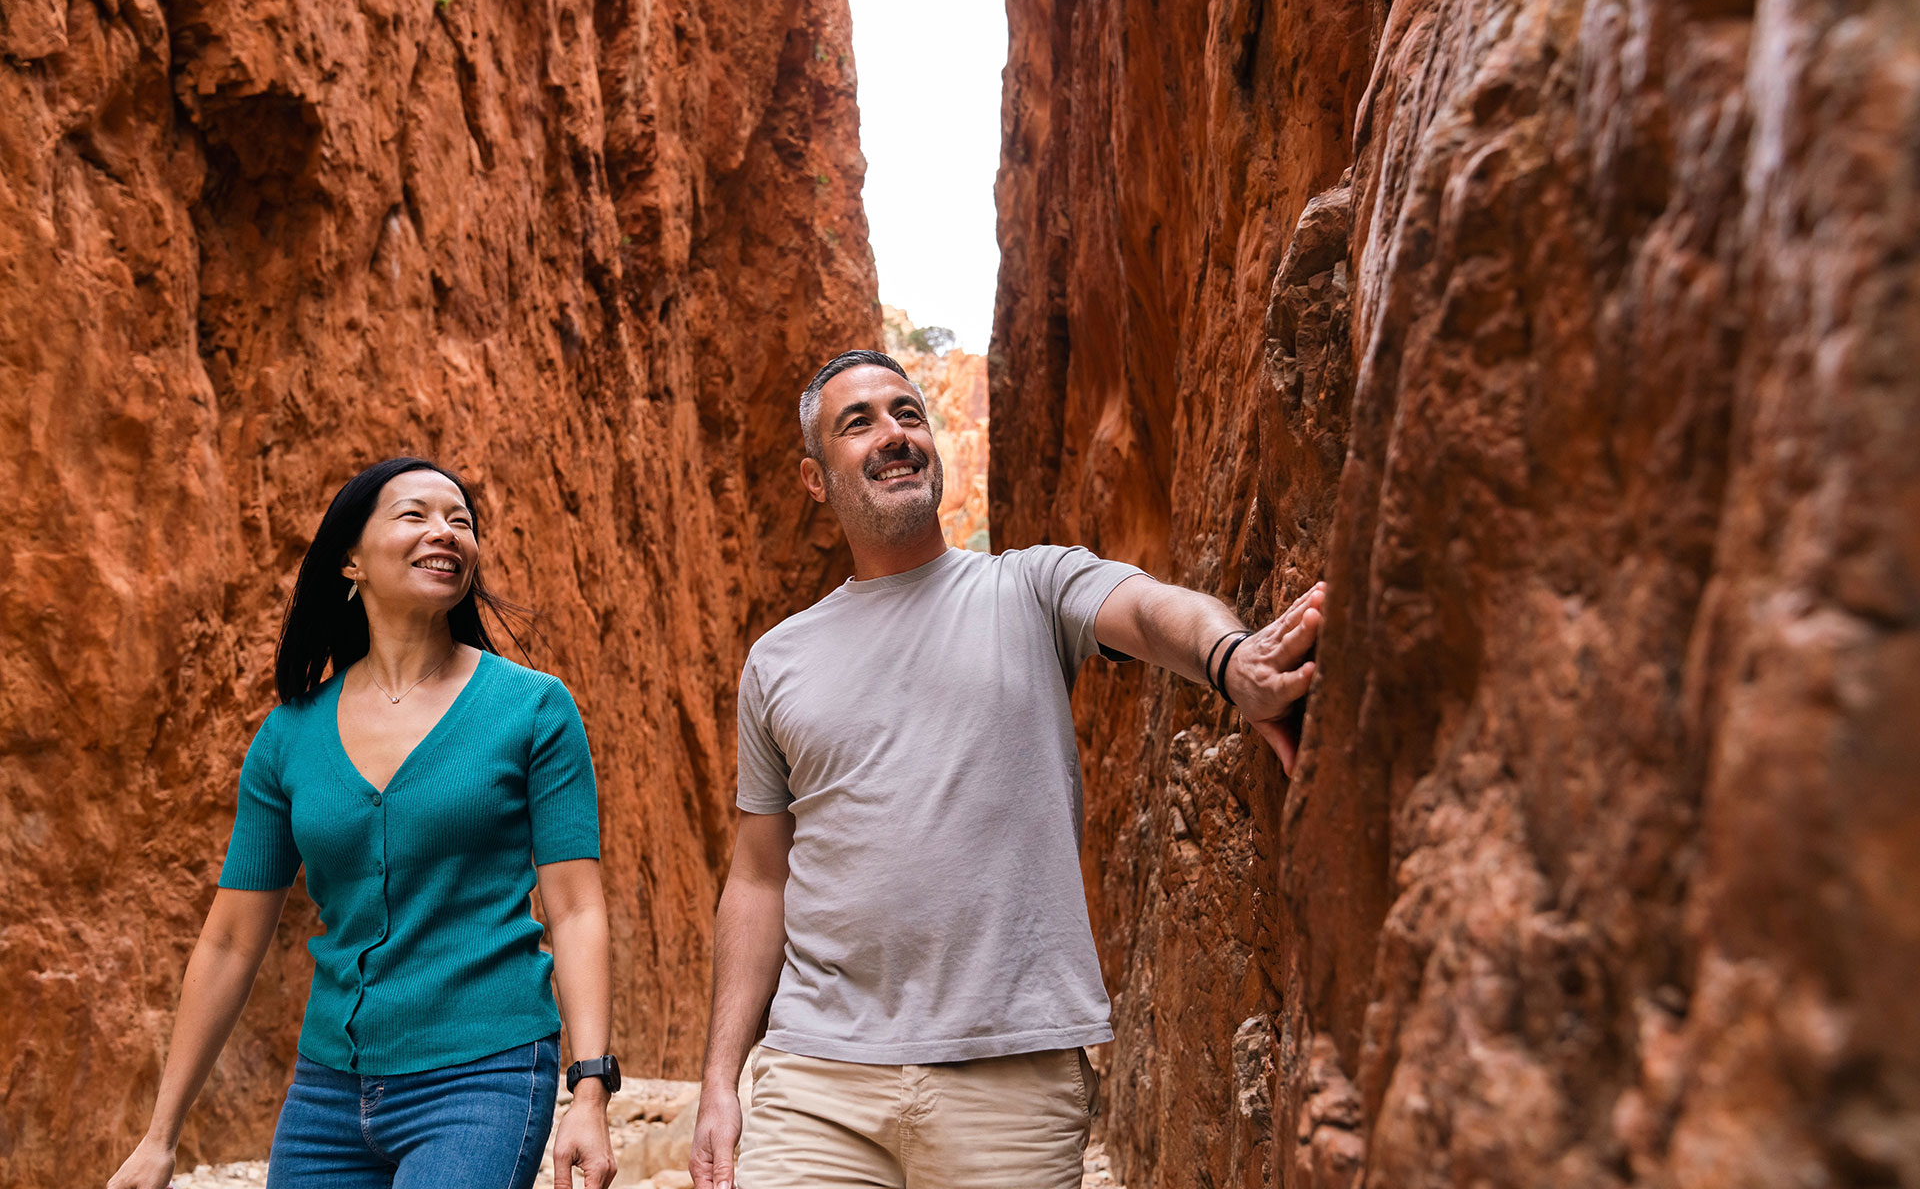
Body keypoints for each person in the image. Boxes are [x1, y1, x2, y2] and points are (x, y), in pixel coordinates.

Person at [689, 351, 1326, 1189]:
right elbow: (760, 877)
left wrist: (1230, 657)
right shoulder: (778, 660)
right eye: (861, 421)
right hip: (818, 1081)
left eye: (908, 413)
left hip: (1011, 1079)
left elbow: (1149, 606)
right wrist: (717, 1080)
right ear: (815, 478)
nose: (895, 435)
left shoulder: (1030, 585)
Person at [107, 457, 620, 1189]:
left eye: (461, 522)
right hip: (326, 1095)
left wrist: (590, 1089)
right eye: (414, 514)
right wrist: (162, 1135)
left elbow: (574, 908)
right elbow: (228, 940)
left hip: (483, 1078)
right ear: (351, 558)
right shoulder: (288, 737)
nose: (444, 532)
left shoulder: (534, 710)